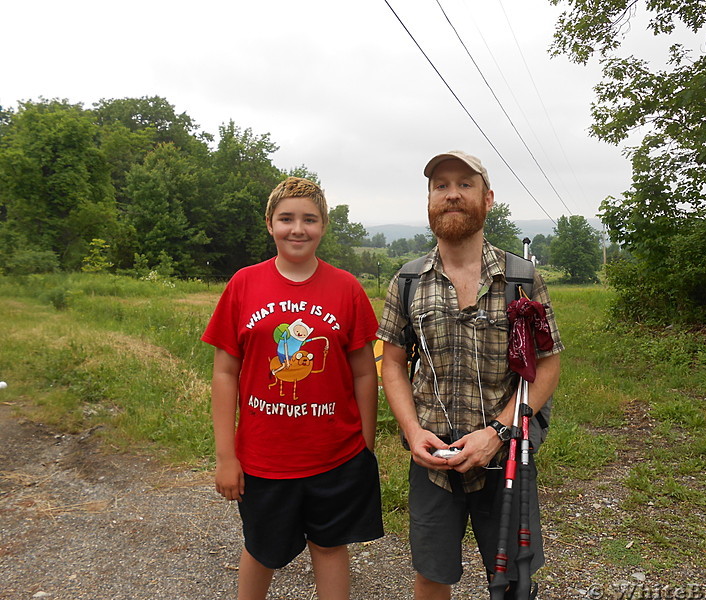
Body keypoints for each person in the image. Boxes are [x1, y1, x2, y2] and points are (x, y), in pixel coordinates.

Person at [377, 151, 563, 600]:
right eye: (441, 185)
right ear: (429, 200)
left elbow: (548, 364)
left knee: (515, 578)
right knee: (432, 574)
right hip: (433, 460)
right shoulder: (407, 281)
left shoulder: (522, 278)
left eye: (465, 184)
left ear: (488, 198)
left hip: (507, 458)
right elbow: (393, 363)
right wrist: (412, 430)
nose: (452, 194)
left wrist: (498, 432)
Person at [202, 177, 384, 600]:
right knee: (262, 550)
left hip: (336, 455)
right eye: (286, 218)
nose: (297, 229)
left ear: (323, 226)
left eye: (309, 219)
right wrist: (226, 456)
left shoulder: (347, 289)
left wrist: (365, 445)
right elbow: (225, 373)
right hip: (264, 458)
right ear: (270, 224)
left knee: (329, 545)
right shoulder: (243, 285)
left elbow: (363, 372)